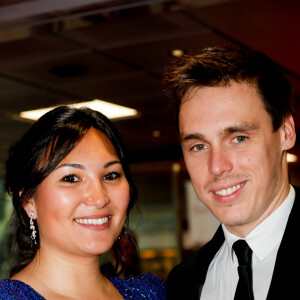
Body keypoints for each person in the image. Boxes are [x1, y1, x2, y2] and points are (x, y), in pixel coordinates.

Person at [163, 46, 298, 299]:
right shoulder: (182, 282)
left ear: (285, 132)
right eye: (199, 146)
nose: (216, 166)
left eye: (238, 138)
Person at [0, 106, 166, 299]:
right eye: (71, 178)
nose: (100, 198)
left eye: (111, 175)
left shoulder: (150, 293)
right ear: (29, 201)